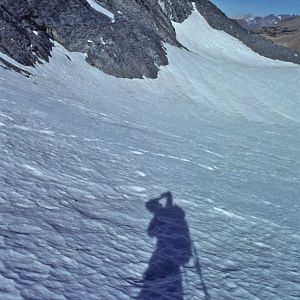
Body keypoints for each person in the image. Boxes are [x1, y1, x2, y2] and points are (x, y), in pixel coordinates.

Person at [137, 192, 192, 300]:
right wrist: (161, 197)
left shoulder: (159, 215)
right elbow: (169, 198)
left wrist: (160, 199)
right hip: (176, 248)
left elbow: (150, 233)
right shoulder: (170, 211)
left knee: (161, 266)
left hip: (166, 248)